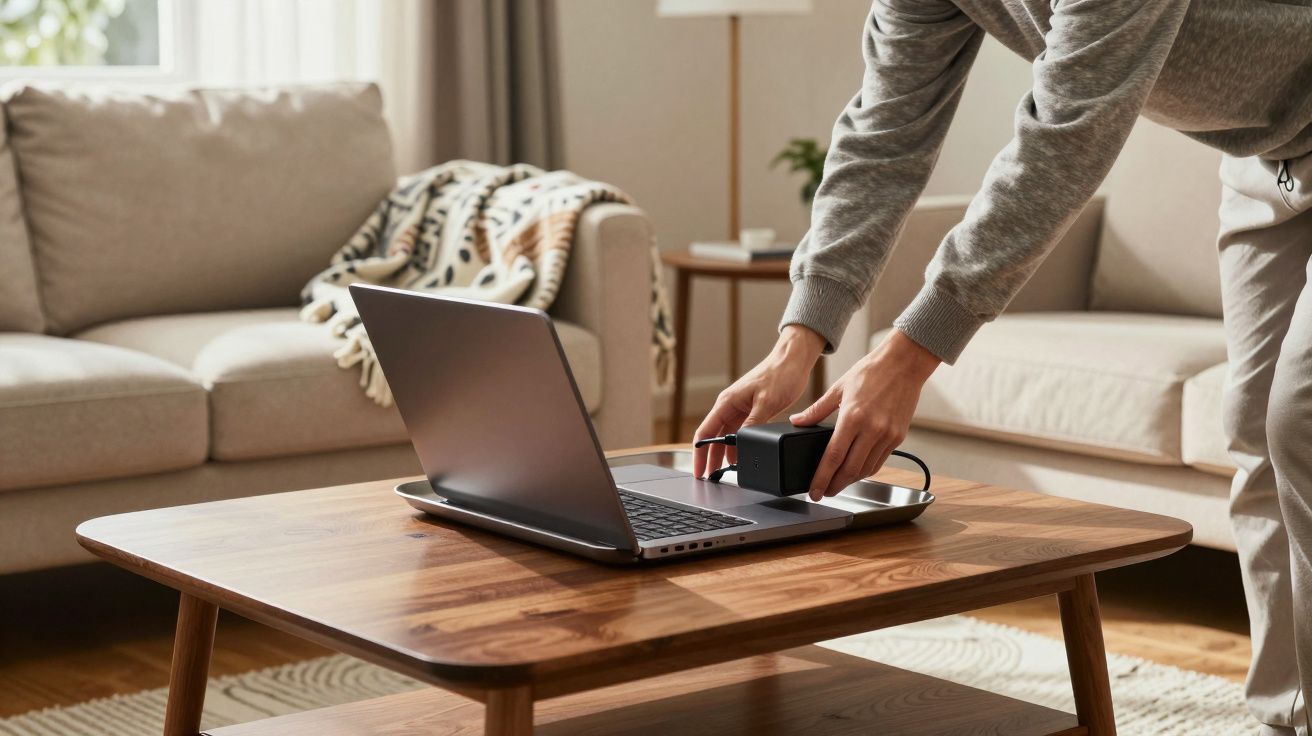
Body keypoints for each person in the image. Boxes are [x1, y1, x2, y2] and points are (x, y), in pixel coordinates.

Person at [690, 1, 1312, 733]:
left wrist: (911, 350)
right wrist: (796, 342)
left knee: (1299, 420)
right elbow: (884, 136)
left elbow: (1071, 128)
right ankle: (1285, 719)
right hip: (1263, 165)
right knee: (1252, 434)